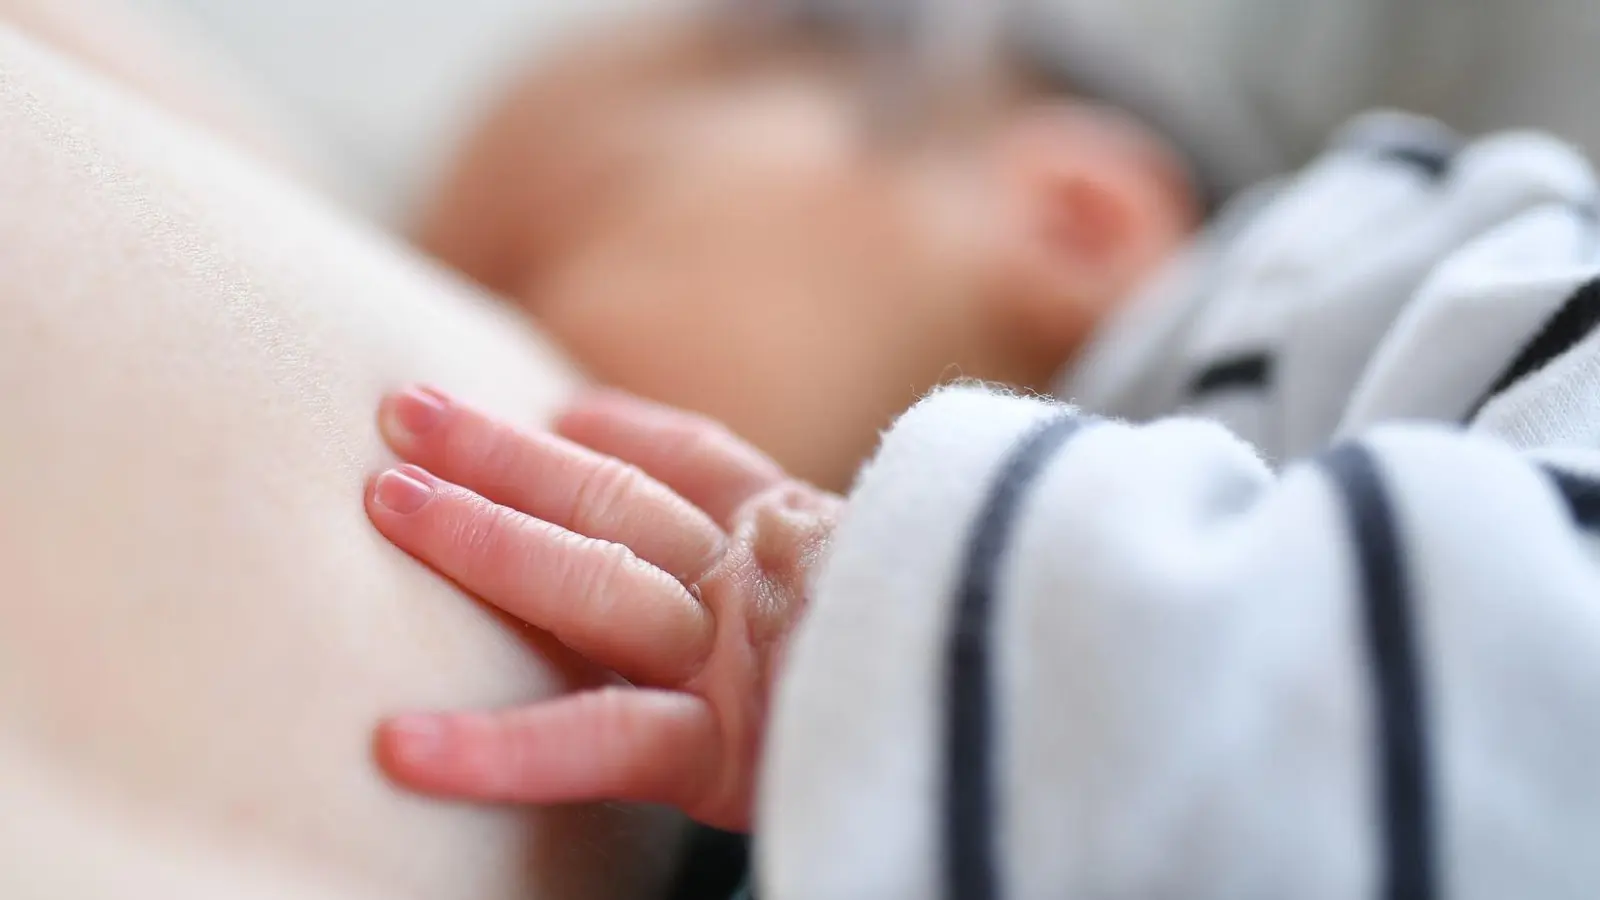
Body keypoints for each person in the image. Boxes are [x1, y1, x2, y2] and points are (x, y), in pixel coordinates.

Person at [361, 117, 1600, 897]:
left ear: (1070, 216)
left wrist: (915, 620)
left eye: (568, 231)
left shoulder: (1394, 272)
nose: (487, 334)